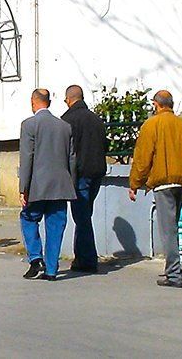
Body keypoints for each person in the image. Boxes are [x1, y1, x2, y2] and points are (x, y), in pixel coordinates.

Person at [128, 90, 182, 288]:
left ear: (156, 105)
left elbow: (143, 157)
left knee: (168, 230)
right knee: (174, 229)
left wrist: (135, 183)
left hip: (164, 183)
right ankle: (173, 270)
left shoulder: (151, 125)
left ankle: (174, 274)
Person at [18, 88, 76, 281]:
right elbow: (72, 158)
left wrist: (23, 188)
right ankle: (51, 270)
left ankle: (35, 258)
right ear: (49, 103)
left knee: (28, 217)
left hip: (37, 185)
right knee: (56, 226)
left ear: (33, 102)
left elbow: (27, 157)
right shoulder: (65, 127)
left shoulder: (29, 125)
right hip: (61, 185)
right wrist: (71, 184)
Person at [61, 84, 107, 273]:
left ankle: (87, 259)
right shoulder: (96, 119)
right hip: (97, 172)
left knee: (81, 217)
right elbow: (105, 144)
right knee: (84, 214)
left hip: (79, 174)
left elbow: (65, 150)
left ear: (69, 99)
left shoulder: (67, 120)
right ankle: (81, 256)